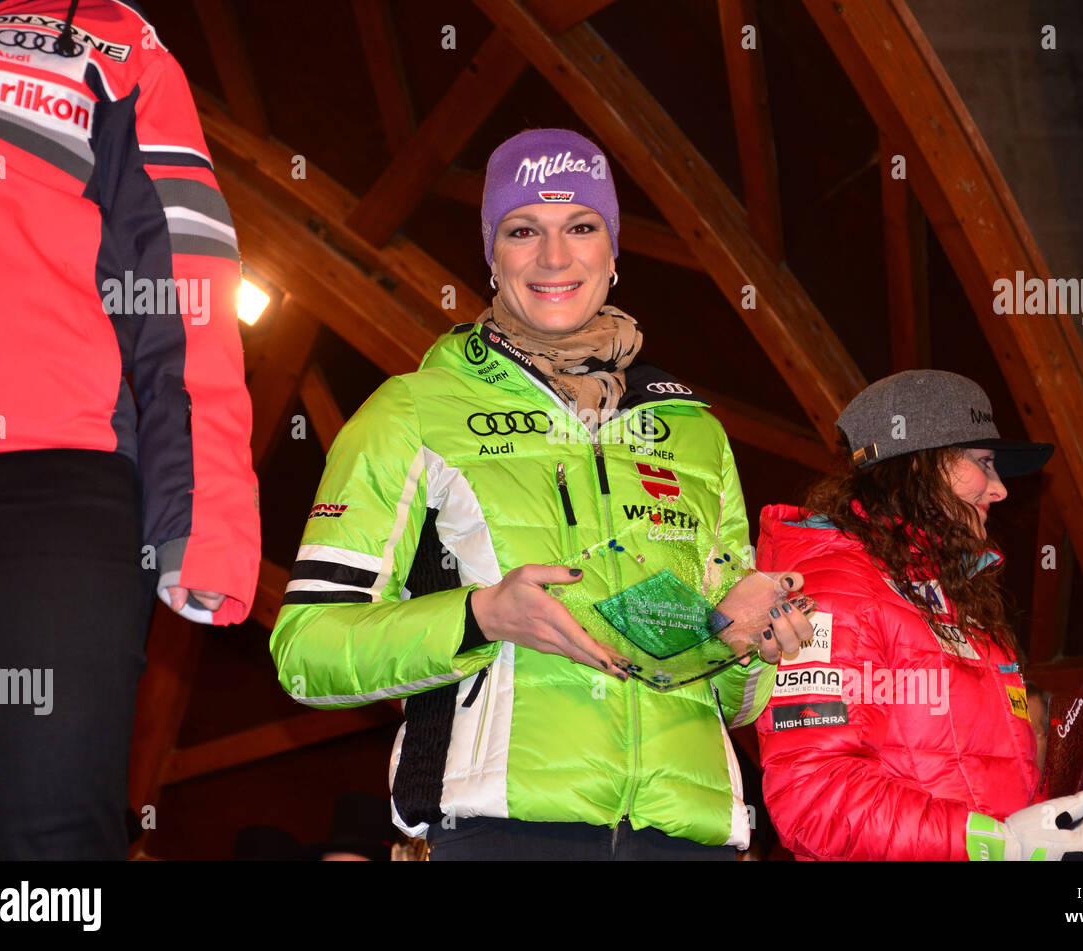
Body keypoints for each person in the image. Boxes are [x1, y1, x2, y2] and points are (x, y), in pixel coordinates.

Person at [269, 128, 809, 860]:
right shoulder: (412, 410)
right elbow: (307, 652)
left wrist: (750, 645)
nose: (555, 258)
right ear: (492, 254)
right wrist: (479, 615)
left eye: (581, 227)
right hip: (501, 832)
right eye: (524, 230)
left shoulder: (693, 433)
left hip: (691, 835)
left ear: (613, 253)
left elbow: (735, 702)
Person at [0, 0, 260, 858]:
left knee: (41, 858)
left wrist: (207, 516)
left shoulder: (112, 42)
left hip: (43, 486)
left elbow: (184, 272)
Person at [755, 369, 1083, 861]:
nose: (1000, 490)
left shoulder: (956, 602)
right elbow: (814, 798)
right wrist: (1000, 845)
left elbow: (996, 790)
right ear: (917, 466)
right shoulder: (832, 588)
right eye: (984, 463)